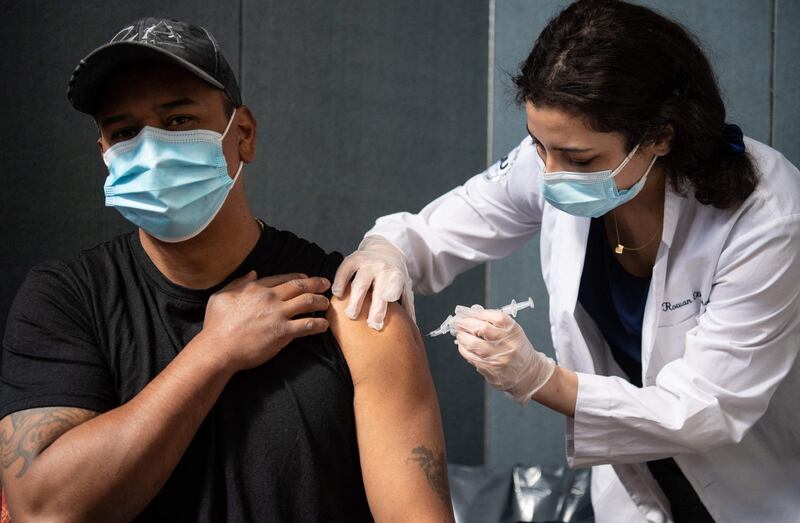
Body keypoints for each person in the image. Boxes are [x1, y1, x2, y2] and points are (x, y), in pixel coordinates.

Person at [332, 1, 800, 522]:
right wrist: (386, 251)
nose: (551, 176)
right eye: (538, 147)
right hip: (637, 486)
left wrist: (539, 379)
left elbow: (706, 409)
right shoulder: (557, 157)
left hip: (757, 486)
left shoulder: (766, 218)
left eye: (578, 160)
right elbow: (440, 229)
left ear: (661, 136)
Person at [0, 18, 454, 523]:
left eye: (177, 121)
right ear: (106, 155)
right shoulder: (66, 299)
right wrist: (213, 353)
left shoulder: (352, 302)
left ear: (243, 134)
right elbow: (43, 511)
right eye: (125, 132)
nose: (151, 151)